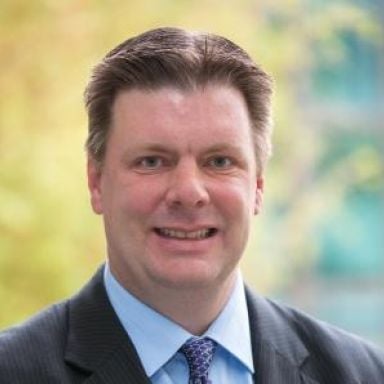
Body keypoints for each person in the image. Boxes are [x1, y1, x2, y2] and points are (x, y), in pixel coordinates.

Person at [0, 26, 383, 384]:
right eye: (152, 161)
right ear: (96, 181)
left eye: (219, 162)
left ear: (258, 186)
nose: (189, 192)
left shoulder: (363, 374)